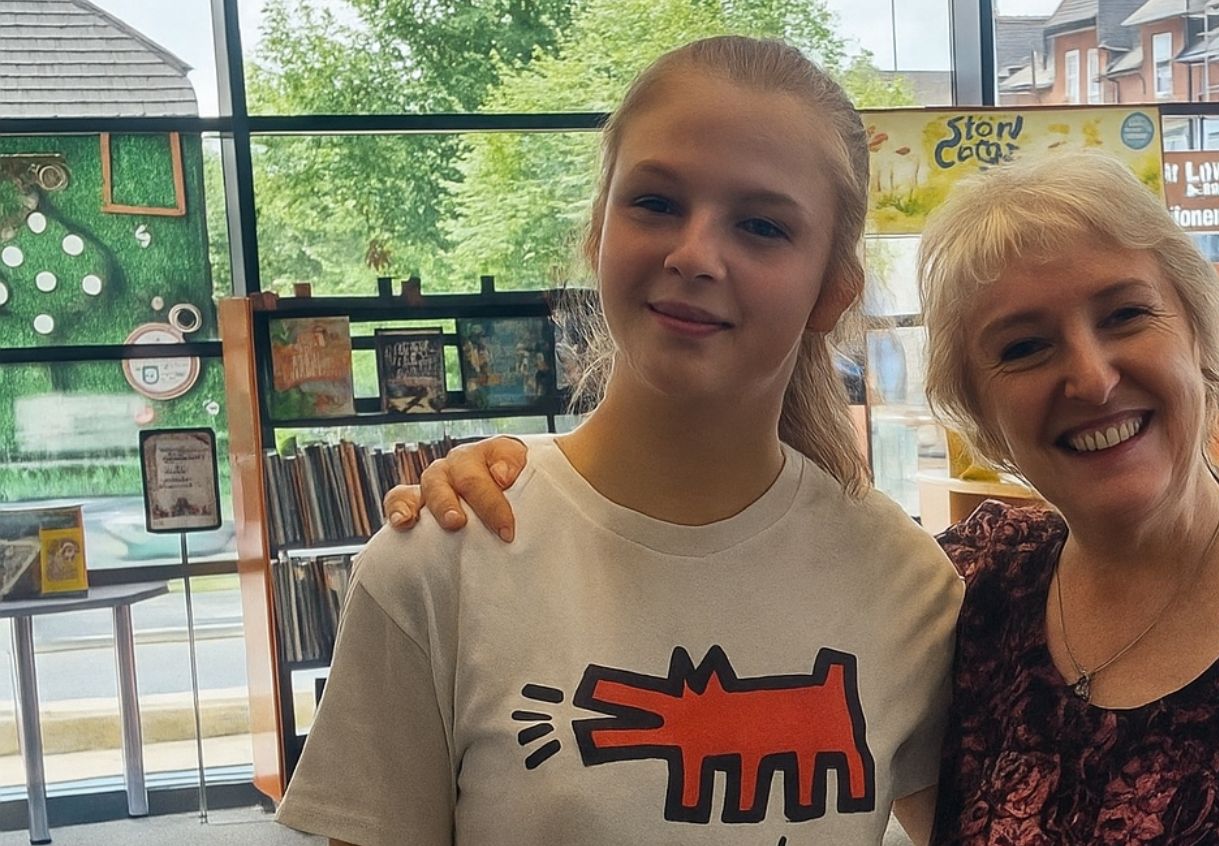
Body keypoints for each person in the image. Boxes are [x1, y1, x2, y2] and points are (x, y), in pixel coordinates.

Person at [390, 152, 1219, 842]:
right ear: (979, 412)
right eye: (1023, 346)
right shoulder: (973, 590)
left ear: (1197, 333)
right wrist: (531, 483)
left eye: (1122, 315)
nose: (1089, 376)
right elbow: (727, 562)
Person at [277, 36, 962, 846]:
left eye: (761, 225)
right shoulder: (441, 560)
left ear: (832, 289)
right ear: (597, 232)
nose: (695, 254)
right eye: (657, 203)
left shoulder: (908, 586)